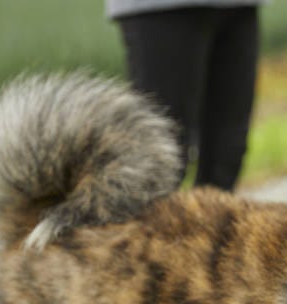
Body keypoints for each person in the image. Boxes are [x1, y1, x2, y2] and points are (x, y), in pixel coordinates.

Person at [106, 0, 265, 190]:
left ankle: (207, 220)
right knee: (162, 159)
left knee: (227, 153)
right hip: (160, 9)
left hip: (239, 6)